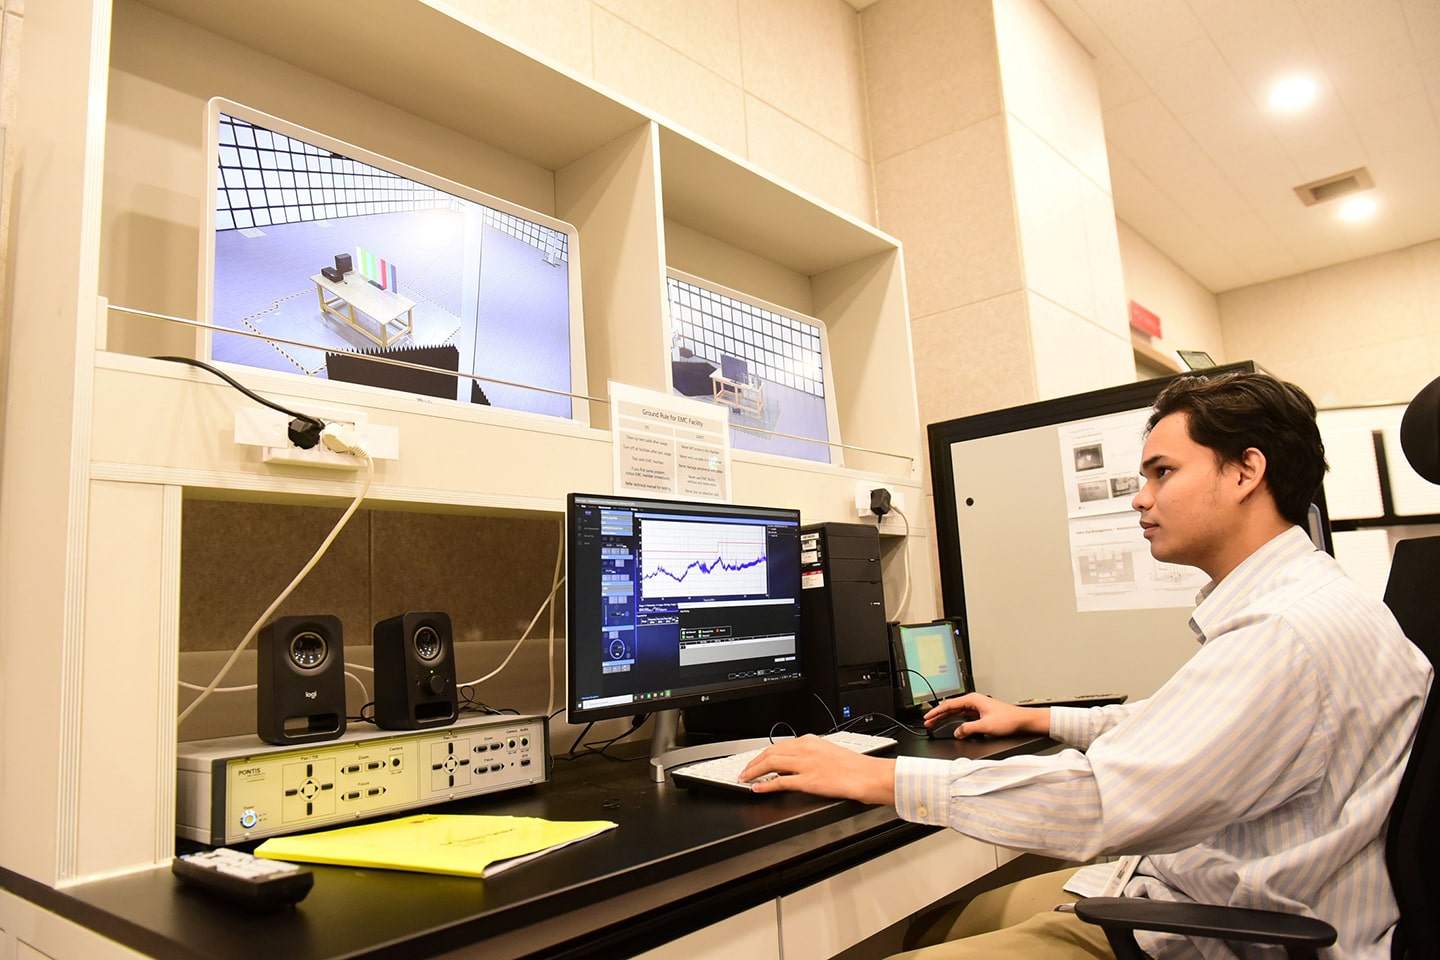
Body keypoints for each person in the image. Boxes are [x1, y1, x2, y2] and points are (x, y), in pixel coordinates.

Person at [740, 372, 1433, 960]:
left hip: (1222, 934)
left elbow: (1104, 802)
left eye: (1163, 472)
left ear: (1247, 471)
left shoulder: (1285, 632)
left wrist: (880, 775)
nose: (1139, 496)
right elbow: (1180, 733)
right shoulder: (1309, 599)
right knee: (933, 925)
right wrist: (1038, 717)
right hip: (1199, 891)